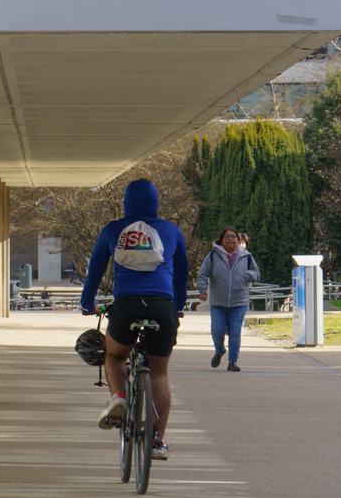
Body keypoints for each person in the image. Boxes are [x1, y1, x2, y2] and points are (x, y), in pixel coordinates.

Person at [79, 178, 188, 460]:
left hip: (126, 305)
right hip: (162, 307)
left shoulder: (113, 229)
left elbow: (95, 271)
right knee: (159, 373)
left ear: (127, 203)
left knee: (114, 357)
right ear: (155, 202)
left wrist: (87, 303)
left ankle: (118, 399)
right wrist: (176, 308)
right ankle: (158, 442)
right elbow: (181, 276)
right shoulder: (172, 231)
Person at [194, 225, 259, 371]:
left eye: (233, 237)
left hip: (239, 301)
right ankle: (219, 350)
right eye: (227, 237)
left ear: (238, 240)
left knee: (235, 332)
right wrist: (202, 290)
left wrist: (248, 275)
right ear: (221, 240)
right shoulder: (213, 255)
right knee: (217, 330)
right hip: (218, 302)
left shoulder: (246, 256)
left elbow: (256, 272)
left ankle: (232, 362)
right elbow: (203, 274)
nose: (230, 239)